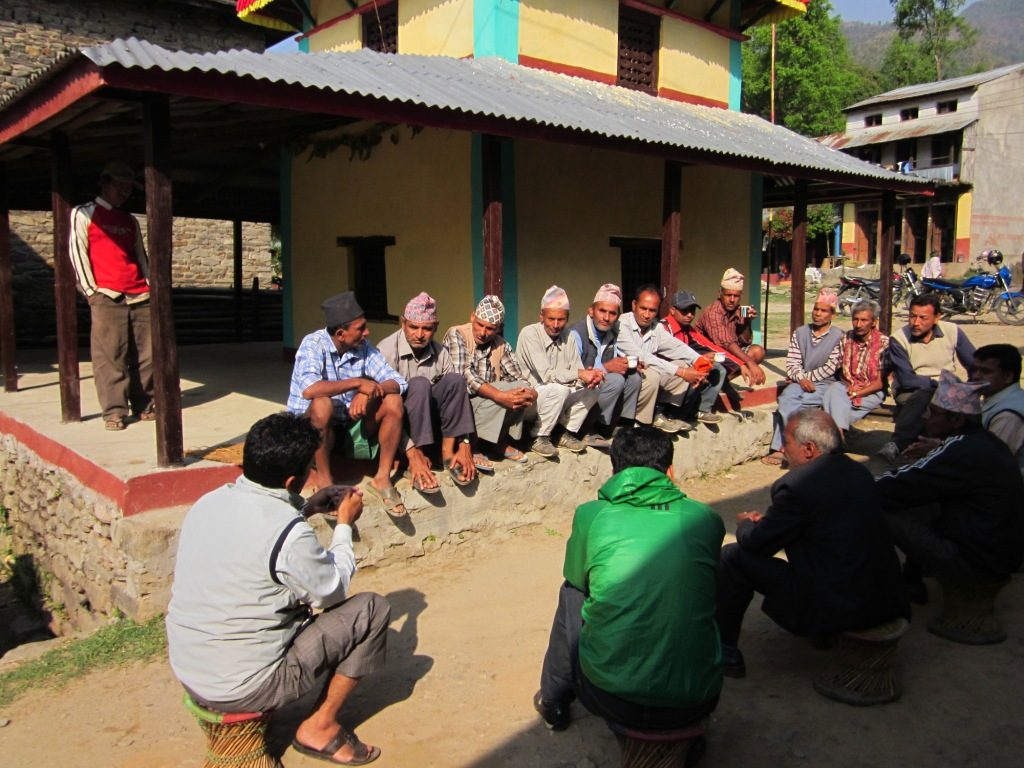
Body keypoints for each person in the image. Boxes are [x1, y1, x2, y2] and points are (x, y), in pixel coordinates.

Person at [166, 413, 390, 765]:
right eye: (308, 471)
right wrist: (344, 525)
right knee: (373, 609)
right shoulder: (288, 533)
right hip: (243, 686)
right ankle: (320, 726)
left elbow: (257, 537)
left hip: (191, 667)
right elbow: (331, 591)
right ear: (293, 480)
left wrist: (307, 507)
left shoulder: (206, 503)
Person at [534, 425, 723, 733]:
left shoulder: (591, 515)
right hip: (697, 697)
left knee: (573, 591)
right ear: (670, 471)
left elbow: (578, 578)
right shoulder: (705, 519)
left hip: (609, 695)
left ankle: (554, 697)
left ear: (615, 470)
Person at [716, 411, 909, 677]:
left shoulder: (796, 486)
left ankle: (726, 652)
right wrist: (773, 524)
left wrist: (746, 525)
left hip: (839, 605)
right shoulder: (858, 472)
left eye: (786, 442)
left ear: (808, 449)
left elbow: (757, 545)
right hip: (883, 597)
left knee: (732, 556)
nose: (783, 449)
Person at [877, 371, 1024, 604]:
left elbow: (897, 487)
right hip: (1000, 553)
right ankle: (911, 578)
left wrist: (856, 485)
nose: (925, 417)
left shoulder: (960, 450)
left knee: (878, 507)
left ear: (956, 421)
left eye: (934, 413)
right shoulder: (982, 441)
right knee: (921, 503)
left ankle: (892, 584)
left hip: (979, 560)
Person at [287, 292, 408, 516]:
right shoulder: (313, 344)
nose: (367, 333)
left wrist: (370, 390)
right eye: (361, 328)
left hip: (347, 429)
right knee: (322, 403)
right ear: (341, 334)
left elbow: (398, 381)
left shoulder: (364, 347)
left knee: (393, 400)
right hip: (309, 432)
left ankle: (382, 479)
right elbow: (310, 389)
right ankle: (324, 482)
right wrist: (357, 384)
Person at [69, 161, 153, 431]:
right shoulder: (84, 213)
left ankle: (146, 404)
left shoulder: (129, 220)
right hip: (107, 294)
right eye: (119, 185)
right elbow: (77, 253)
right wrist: (91, 291)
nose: (124, 191)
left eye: (128, 186)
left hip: (139, 293)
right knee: (110, 356)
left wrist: (151, 284)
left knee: (148, 355)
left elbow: (141, 256)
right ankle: (114, 411)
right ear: (104, 182)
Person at [376, 292, 478, 490]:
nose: (420, 334)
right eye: (414, 327)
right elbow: (385, 411)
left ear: (436, 327)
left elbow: (457, 399)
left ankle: (448, 454)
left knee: (456, 381)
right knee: (419, 384)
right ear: (403, 323)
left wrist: (465, 443)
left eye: (427, 329)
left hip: (432, 427)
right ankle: (416, 458)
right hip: (398, 432)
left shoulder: (441, 353)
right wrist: (412, 452)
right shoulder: (386, 351)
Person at [879, 293, 975, 463]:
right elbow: (907, 379)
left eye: (923, 318)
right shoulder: (899, 339)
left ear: (937, 317)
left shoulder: (952, 331)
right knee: (924, 398)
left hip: (947, 386)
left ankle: (963, 445)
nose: (916, 322)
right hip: (912, 389)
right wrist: (937, 385)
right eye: (912, 316)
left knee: (967, 403)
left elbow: (973, 362)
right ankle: (899, 444)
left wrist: (970, 387)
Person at [443, 295, 537, 465]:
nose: (483, 333)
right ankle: (473, 445)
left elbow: (518, 377)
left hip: (486, 403)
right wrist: (499, 395)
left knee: (520, 388)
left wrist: (531, 393)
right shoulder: (457, 334)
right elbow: (463, 375)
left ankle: (497, 442)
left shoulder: (502, 345)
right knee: (501, 391)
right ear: (472, 317)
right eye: (480, 325)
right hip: (461, 405)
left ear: (498, 328)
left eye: (490, 328)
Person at [516, 286, 605, 458]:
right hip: (532, 401)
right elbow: (547, 376)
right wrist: (579, 374)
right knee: (558, 389)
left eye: (561, 320)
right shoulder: (529, 334)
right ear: (541, 316)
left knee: (594, 390)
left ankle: (563, 433)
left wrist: (589, 378)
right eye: (551, 319)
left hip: (557, 398)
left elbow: (576, 371)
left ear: (567, 318)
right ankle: (538, 436)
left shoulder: (569, 336)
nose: (556, 325)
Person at [762, 289, 843, 466]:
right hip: (801, 381)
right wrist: (801, 378)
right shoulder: (800, 332)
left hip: (824, 384)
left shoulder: (838, 337)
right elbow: (792, 363)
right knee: (787, 400)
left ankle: (780, 447)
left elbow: (830, 367)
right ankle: (791, 447)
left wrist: (807, 379)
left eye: (823, 310)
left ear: (832, 315)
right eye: (816, 309)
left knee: (801, 403)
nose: (818, 314)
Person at [616, 285, 711, 434]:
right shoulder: (622, 325)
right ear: (634, 305)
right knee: (656, 374)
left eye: (652, 310)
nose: (647, 315)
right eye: (643, 308)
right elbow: (642, 356)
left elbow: (676, 346)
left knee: (683, 363)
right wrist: (681, 372)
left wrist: (698, 361)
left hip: (646, 379)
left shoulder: (656, 327)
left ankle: (659, 414)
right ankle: (641, 423)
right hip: (626, 380)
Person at [569, 283, 644, 437]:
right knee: (615, 380)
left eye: (612, 313)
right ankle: (594, 429)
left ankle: (623, 425)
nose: (606, 318)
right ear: (591, 311)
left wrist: (626, 364)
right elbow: (574, 372)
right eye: (602, 311)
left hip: (598, 390)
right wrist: (607, 367)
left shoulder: (613, 333)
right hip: (577, 391)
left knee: (634, 377)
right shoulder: (576, 334)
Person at [823, 299, 890, 438]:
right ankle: (840, 437)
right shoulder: (846, 338)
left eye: (864, 320)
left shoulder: (884, 343)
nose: (858, 325)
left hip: (872, 392)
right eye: (855, 319)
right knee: (834, 389)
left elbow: (879, 383)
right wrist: (850, 386)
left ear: (874, 322)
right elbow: (840, 370)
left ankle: (836, 438)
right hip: (848, 387)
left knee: (831, 414)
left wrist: (856, 393)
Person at [659, 289, 728, 423]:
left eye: (692, 311)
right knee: (693, 371)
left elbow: (708, 345)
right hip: (667, 373)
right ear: (672, 310)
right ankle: (671, 415)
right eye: (685, 311)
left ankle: (701, 410)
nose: (690, 315)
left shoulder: (688, 329)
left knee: (717, 369)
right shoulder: (663, 328)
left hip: (682, 369)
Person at [693, 268, 767, 386]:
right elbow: (726, 343)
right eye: (728, 295)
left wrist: (748, 322)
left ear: (740, 297)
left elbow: (746, 341)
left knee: (757, 351)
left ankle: (724, 383)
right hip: (707, 353)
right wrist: (750, 364)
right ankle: (716, 382)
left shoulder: (739, 310)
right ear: (720, 294)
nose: (732, 300)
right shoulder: (713, 312)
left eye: (736, 296)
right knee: (743, 358)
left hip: (725, 353)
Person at [970, 344, 1024, 476]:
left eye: (986, 371)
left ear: (1008, 377)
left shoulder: (1008, 415)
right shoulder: (994, 402)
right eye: (974, 370)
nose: (976, 377)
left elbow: (988, 462)